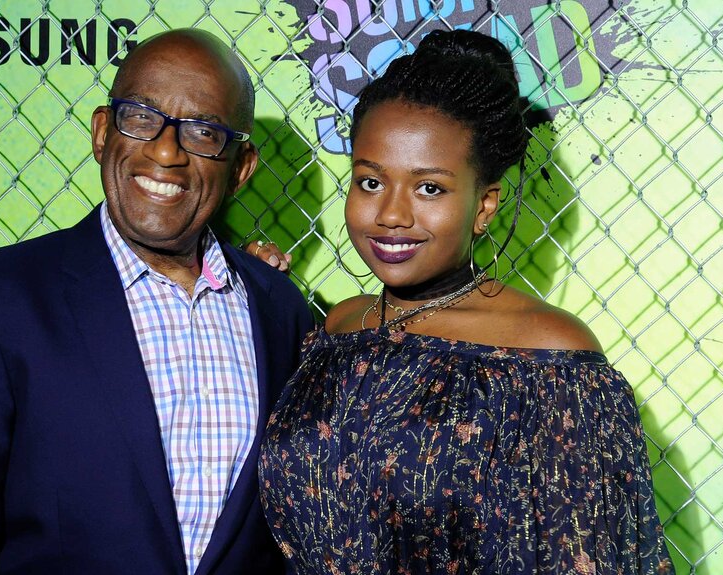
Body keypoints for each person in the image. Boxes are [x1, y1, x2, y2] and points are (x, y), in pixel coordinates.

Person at [0, 29, 313, 575]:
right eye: (140, 116)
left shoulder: (279, 310)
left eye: (203, 132)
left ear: (240, 167)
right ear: (101, 133)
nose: (167, 151)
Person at [256, 29, 674, 574]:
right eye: (370, 181)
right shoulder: (339, 327)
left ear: (484, 205)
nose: (391, 214)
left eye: (430, 188)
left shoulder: (551, 357)